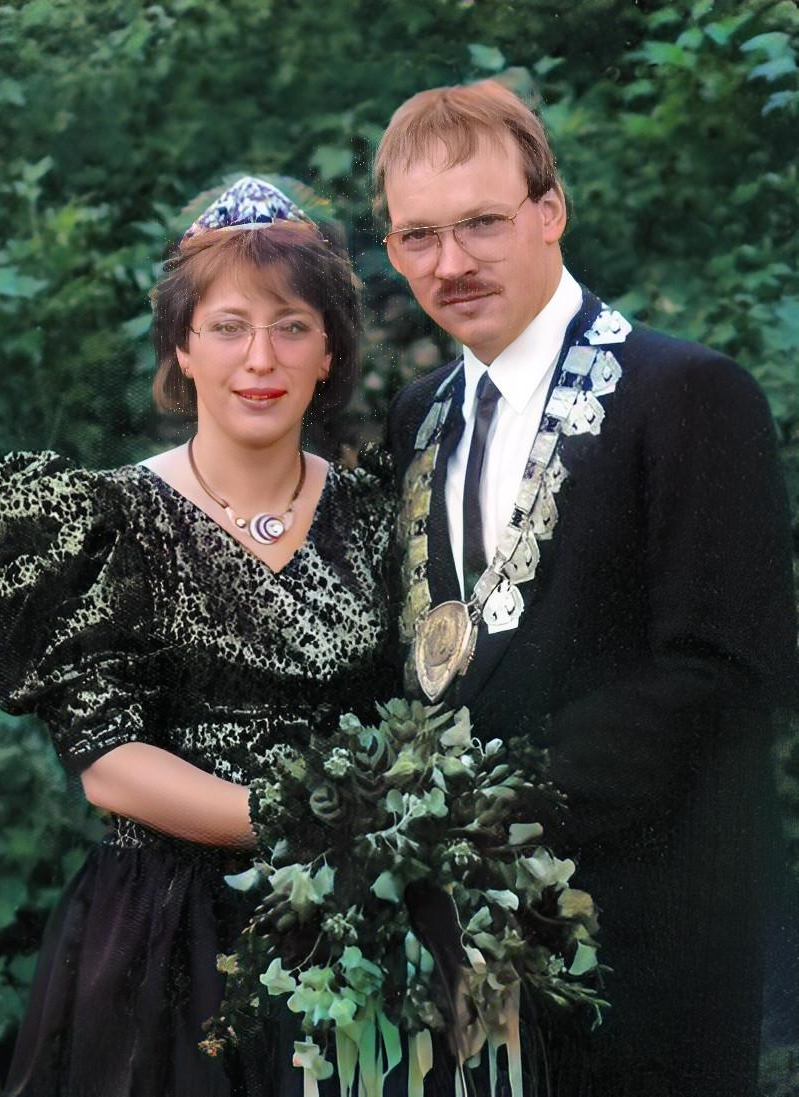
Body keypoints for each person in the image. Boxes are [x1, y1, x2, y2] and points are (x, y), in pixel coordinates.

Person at [377, 81, 798, 1097]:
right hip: (458, 971)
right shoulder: (416, 418)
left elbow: (724, 672)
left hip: (645, 956)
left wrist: (481, 806)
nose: (450, 263)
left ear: (550, 211)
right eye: (418, 235)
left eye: (481, 222)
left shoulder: (687, 392)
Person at [0, 176, 395, 1097]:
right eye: (228, 326)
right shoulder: (110, 519)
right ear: (182, 347)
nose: (261, 358)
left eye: (291, 325)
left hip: (352, 927)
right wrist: (300, 821)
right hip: (168, 939)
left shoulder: (376, 513)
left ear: (328, 349)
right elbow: (108, 763)